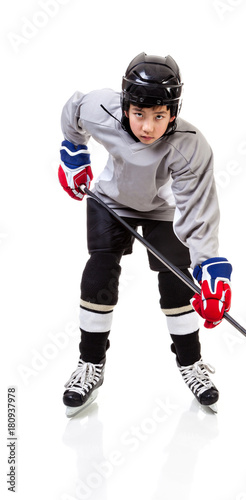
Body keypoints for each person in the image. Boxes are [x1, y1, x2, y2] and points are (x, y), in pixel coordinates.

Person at [58, 52, 232, 416]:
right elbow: (74, 110)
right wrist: (73, 151)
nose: (148, 127)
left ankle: (190, 363)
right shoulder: (100, 109)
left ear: (173, 110)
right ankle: (90, 363)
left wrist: (210, 269)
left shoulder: (189, 146)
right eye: (139, 114)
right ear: (125, 105)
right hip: (111, 201)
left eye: (159, 116)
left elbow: (199, 212)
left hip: (161, 208)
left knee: (175, 278)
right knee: (99, 271)